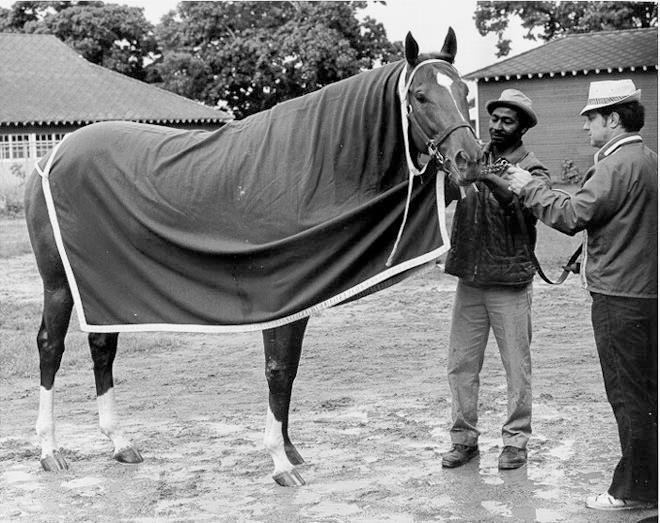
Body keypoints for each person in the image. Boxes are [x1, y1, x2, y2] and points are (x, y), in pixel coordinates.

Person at [505, 79, 657, 510]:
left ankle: (636, 491)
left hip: (618, 296)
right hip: (647, 293)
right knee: (646, 394)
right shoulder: (649, 160)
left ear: (613, 118)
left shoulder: (613, 165)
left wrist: (524, 185)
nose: (586, 126)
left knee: (628, 395)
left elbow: (571, 214)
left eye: (591, 118)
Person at [441, 89, 550, 470]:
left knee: (516, 367)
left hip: (510, 282)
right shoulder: (473, 154)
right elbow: (447, 189)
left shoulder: (532, 168)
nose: (498, 126)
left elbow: (518, 204)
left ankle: (515, 442)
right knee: (461, 365)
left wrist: (484, 176)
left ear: (523, 127)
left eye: (508, 121)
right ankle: (463, 439)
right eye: (495, 119)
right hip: (469, 279)